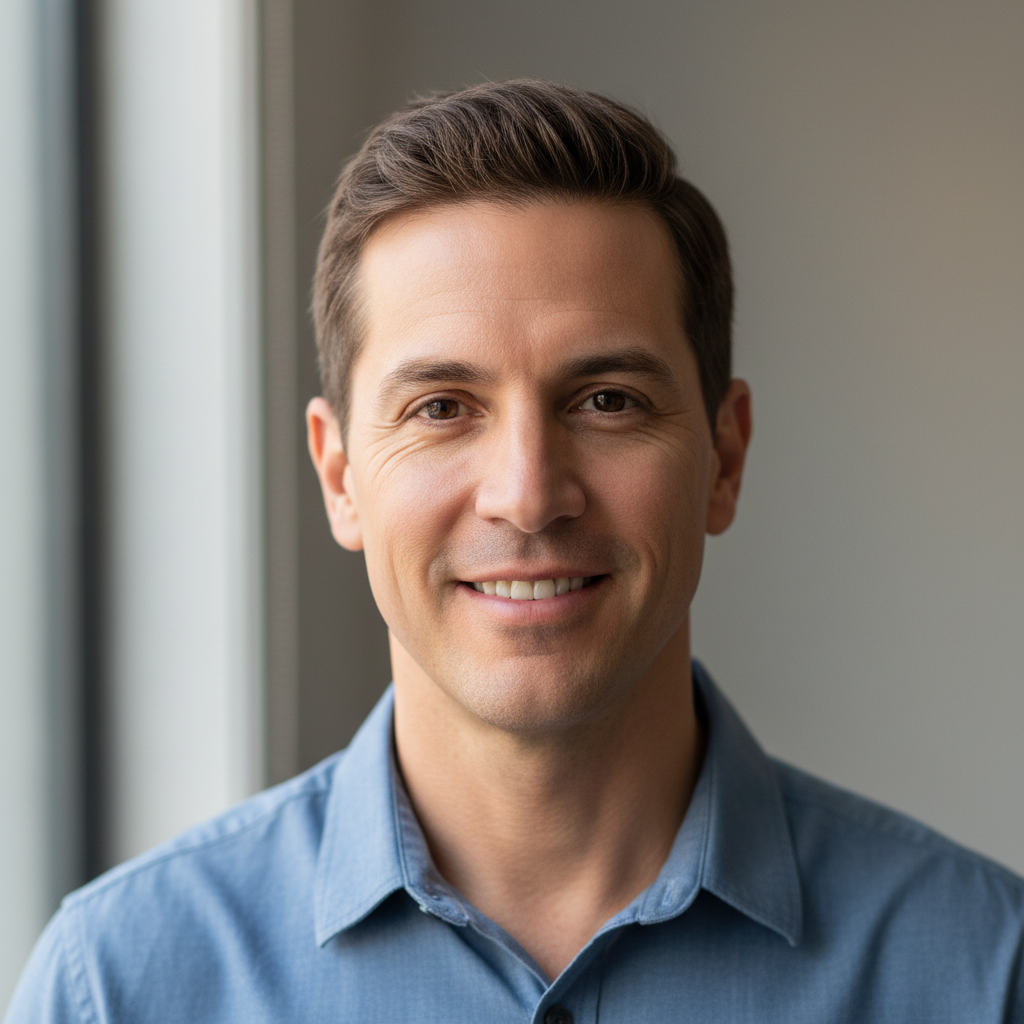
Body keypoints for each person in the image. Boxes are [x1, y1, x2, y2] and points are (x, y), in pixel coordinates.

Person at [7, 79, 1024, 1023]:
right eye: (441, 408)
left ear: (724, 456)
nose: (529, 495)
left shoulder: (988, 972)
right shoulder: (121, 986)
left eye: (607, 400)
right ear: (340, 475)